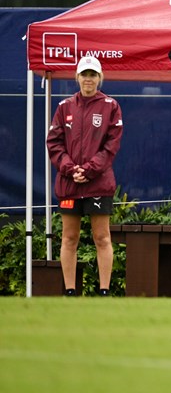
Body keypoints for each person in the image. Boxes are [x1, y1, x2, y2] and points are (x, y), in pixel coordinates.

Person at [46, 56, 124, 296]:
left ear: (99, 78)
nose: (88, 79)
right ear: (77, 77)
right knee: (69, 238)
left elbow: (112, 145)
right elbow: (54, 143)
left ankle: (103, 291)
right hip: (70, 185)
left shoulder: (111, 105)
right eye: (84, 74)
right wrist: (71, 169)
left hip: (98, 184)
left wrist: (89, 170)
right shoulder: (64, 107)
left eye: (92, 74)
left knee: (102, 237)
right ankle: (70, 291)